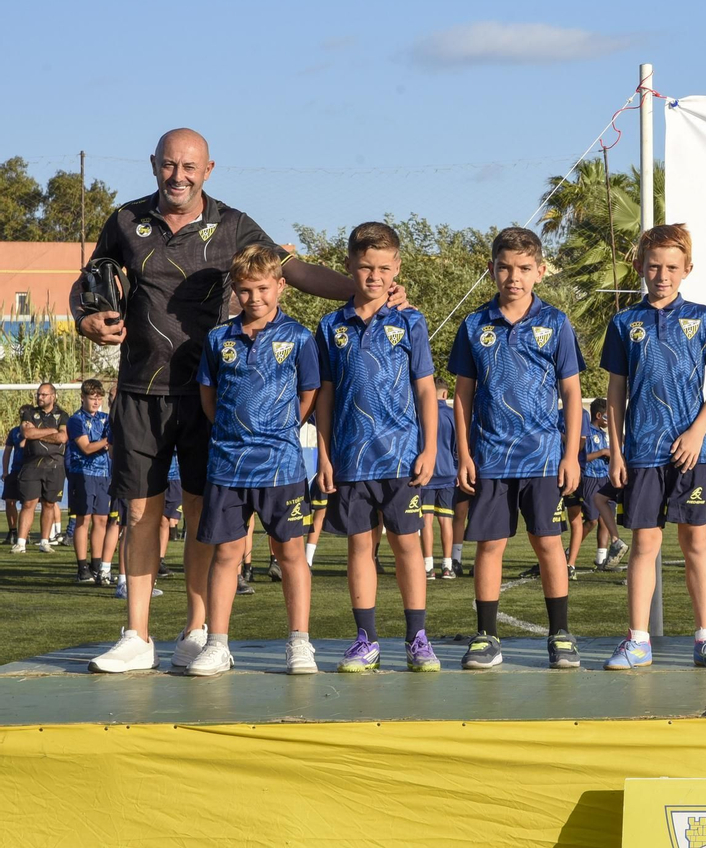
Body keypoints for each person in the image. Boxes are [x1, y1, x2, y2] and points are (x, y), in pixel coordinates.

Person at [80, 128, 402, 674]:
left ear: (208, 170)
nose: (177, 176)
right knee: (139, 511)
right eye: (168, 165)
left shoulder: (233, 224)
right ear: (154, 164)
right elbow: (90, 282)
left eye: (189, 167)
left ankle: (196, 631)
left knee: (206, 515)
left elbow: (291, 271)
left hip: (217, 396)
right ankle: (136, 635)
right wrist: (87, 317)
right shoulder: (123, 220)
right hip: (141, 387)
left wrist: (364, 289)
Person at [601, 224, 706, 671]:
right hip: (641, 453)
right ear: (639, 266)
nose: (662, 275)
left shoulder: (702, 318)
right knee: (645, 545)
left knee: (697, 543)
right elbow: (616, 392)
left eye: (672, 267)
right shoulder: (624, 323)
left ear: (687, 270)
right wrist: (617, 452)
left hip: (690, 455)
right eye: (654, 265)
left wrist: (698, 431)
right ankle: (637, 640)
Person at [449, 227, 584, 670]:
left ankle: (560, 635)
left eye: (525, 268)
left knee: (548, 544)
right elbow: (463, 396)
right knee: (489, 547)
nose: (514, 276)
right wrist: (464, 454)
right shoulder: (474, 325)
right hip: (489, 457)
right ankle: (486, 636)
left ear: (540, 272)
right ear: (491, 269)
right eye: (505, 267)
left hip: (544, 457)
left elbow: (571, 393)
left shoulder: (556, 323)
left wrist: (570, 455)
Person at [183, 246, 320, 676]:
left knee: (291, 552)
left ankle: (299, 643)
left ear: (280, 286)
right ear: (235, 292)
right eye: (244, 290)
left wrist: (273, 431)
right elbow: (209, 398)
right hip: (226, 465)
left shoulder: (299, 337)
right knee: (225, 554)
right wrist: (235, 434)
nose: (254, 297)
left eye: (262, 287)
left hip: (281, 466)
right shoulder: (217, 339)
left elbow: (309, 394)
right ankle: (217, 643)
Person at [314, 222, 440, 673]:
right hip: (350, 459)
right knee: (359, 548)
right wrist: (324, 455)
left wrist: (429, 449)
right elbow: (324, 396)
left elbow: (426, 390)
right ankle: (365, 638)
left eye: (384, 267)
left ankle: (417, 638)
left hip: (402, 457)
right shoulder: (330, 326)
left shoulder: (411, 320)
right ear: (349, 266)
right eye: (365, 266)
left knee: (408, 546)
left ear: (397, 268)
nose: (374, 276)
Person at [66, 379, 114, 585]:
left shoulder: (106, 418)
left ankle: (97, 565)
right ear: (82, 398)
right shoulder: (75, 420)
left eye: (98, 398)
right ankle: (81, 567)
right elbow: (86, 447)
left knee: (102, 520)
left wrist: (105, 443)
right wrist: (105, 442)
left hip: (104, 473)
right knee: (83, 520)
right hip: (82, 473)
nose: (96, 402)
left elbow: (111, 444)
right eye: (92, 398)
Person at [13, 382, 68, 553]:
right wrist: (51, 431)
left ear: (53, 396)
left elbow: (62, 438)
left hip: (54, 466)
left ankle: (45, 541)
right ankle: (21, 542)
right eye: (38, 394)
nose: (40, 397)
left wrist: (39, 434)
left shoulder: (63, 415)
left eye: (44, 394)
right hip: (31, 465)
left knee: (49, 504)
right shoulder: (29, 413)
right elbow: (27, 433)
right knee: (28, 503)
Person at [421, 377, 458, 580]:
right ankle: (447, 565)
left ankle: (428, 567)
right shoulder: (452, 415)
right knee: (446, 520)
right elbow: (458, 446)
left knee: (426, 520)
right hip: (447, 472)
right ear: (445, 394)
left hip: (426, 473)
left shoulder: (421, 413)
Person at [581, 400, 625, 570]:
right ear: (599, 415)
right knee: (591, 519)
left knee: (604, 520)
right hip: (591, 477)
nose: (609, 420)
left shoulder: (607, 434)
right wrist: (602, 452)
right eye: (607, 416)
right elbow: (583, 457)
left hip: (606, 477)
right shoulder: (589, 433)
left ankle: (602, 558)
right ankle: (570, 551)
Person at [4, 419, 24, 541]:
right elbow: (7, 451)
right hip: (15, 470)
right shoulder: (15, 432)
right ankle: (12, 531)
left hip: (30, 471)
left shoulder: (38, 431)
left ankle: (25, 533)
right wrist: (5, 471)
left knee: (28, 504)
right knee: (9, 500)